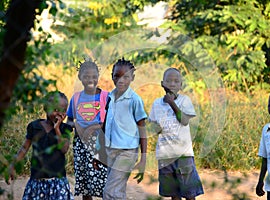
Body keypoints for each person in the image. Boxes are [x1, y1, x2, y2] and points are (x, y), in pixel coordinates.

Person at [6, 91, 74, 200]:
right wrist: (13, 165)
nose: (59, 114)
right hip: (37, 181)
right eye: (55, 109)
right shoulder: (35, 127)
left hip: (57, 183)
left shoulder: (64, 129)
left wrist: (57, 129)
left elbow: (64, 149)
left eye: (63, 110)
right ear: (46, 108)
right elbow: (24, 148)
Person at [149, 68, 204, 200]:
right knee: (174, 194)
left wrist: (172, 103)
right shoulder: (157, 103)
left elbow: (184, 121)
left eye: (176, 81)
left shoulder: (185, 101)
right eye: (168, 81)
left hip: (183, 155)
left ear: (181, 85)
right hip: (165, 155)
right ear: (162, 83)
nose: (172, 84)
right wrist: (155, 128)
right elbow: (152, 125)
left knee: (190, 192)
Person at [102, 58, 147, 200]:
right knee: (117, 191)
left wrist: (143, 157)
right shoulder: (109, 97)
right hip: (110, 150)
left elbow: (142, 128)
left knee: (109, 191)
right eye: (117, 76)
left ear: (132, 78)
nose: (121, 80)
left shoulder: (134, 100)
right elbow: (105, 125)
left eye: (126, 77)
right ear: (112, 76)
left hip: (127, 152)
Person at [66, 60, 108, 200]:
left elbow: (110, 121)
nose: (91, 80)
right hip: (80, 143)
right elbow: (70, 120)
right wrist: (76, 126)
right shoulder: (76, 97)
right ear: (80, 77)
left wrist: (93, 127)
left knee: (102, 179)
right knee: (85, 181)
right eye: (86, 77)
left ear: (98, 76)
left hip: (100, 142)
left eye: (94, 76)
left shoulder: (105, 96)